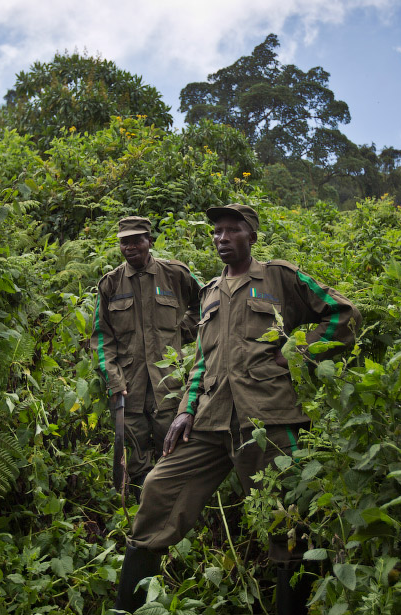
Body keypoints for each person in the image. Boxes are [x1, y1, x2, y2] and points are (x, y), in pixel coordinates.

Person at [114, 203, 361, 615]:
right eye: (216, 232)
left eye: (232, 230)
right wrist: (186, 410)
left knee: (288, 525)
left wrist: (298, 352)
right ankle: (128, 607)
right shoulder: (210, 292)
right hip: (210, 423)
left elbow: (343, 313)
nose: (222, 238)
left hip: (268, 420)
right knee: (158, 489)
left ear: (252, 236)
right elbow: (202, 363)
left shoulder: (278, 277)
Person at [93, 216, 201, 491]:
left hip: (169, 383)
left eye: (136, 240)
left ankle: (173, 506)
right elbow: (101, 337)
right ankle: (140, 502)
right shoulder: (110, 284)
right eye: (124, 242)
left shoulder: (175, 274)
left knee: (174, 450)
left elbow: (205, 305)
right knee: (137, 456)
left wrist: (181, 333)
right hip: (130, 386)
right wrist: (114, 379)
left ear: (149, 241)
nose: (130, 247)